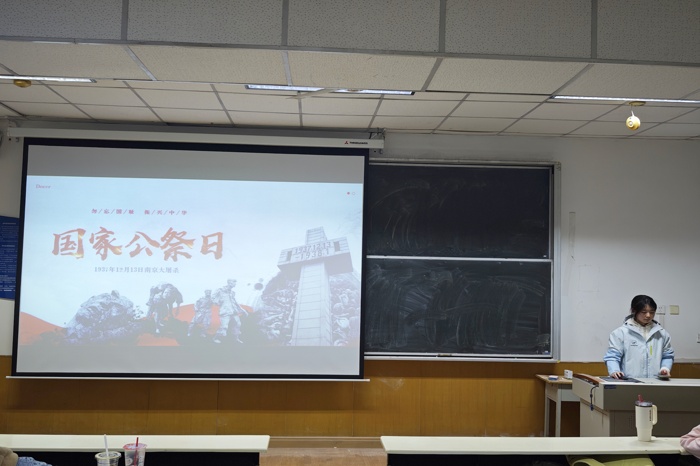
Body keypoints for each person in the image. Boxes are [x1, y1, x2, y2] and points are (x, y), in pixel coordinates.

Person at [604, 294, 674, 379]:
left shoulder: (662, 333)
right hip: (629, 382)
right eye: (644, 312)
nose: (648, 315)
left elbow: (667, 356)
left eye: (652, 312)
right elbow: (612, 356)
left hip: (655, 382)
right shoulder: (620, 333)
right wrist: (614, 371)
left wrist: (665, 368)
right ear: (634, 311)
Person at [212, 279, 246, 344]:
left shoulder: (232, 292)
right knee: (224, 327)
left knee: (238, 324)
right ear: (229, 283)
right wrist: (218, 302)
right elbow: (213, 298)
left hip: (233, 311)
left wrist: (242, 309)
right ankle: (215, 338)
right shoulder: (220, 290)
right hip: (225, 311)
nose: (235, 284)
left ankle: (236, 338)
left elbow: (235, 302)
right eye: (234, 282)